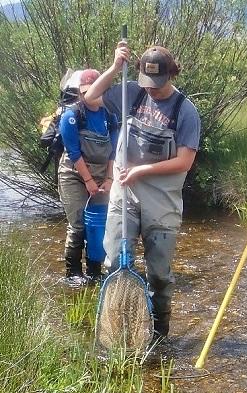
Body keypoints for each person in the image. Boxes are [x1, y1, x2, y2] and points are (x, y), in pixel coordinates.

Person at [84, 43, 201, 340]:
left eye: (157, 85)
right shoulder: (132, 92)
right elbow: (91, 95)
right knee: (113, 262)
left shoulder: (185, 111)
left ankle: (159, 334)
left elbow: (185, 161)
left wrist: (141, 170)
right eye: (147, 84)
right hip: (125, 193)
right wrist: (113, 67)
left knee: (159, 275)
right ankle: (118, 330)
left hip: (161, 200)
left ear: (170, 75)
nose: (151, 90)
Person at [58, 69, 118, 287]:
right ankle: (73, 272)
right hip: (74, 174)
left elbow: (113, 151)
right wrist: (88, 181)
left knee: (99, 224)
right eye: (85, 91)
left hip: (103, 175)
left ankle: (94, 271)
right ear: (80, 92)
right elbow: (73, 153)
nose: (89, 95)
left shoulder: (110, 116)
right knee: (78, 225)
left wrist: (109, 178)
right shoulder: (71, 116)